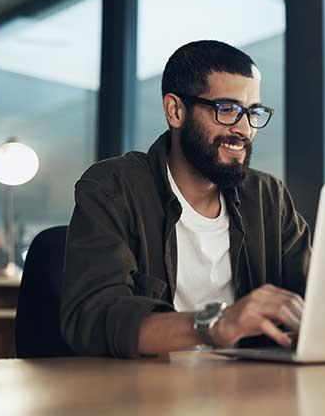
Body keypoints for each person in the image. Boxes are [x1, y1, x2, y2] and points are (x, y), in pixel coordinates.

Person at [60, 40, 311, 358]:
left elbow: (315, 294)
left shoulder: (268, 197)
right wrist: (216, 324)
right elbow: (93, 316)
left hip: (248, 390)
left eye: (252, 112)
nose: (245, 129)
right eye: (227, 110)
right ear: (175, 111)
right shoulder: (113, 187)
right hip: (145, 392)